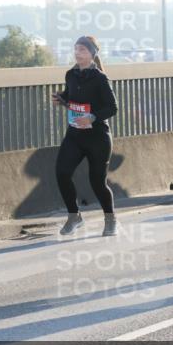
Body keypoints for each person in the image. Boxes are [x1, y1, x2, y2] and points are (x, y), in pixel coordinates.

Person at [52, 35, 119, 236]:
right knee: (62, 172)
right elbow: (71, 96)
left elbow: (112, 107)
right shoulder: (70, 74)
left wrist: (92, 118)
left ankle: (110, 219)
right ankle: (74, 216)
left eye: (82, 49)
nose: (77, 53)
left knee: (97, 182)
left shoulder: (100, 78)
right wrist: (61, 98)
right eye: (76, 49)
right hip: (75, 135)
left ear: (92, 54)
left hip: (98, 137)